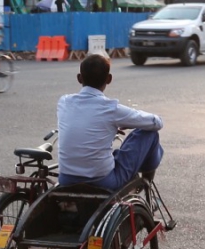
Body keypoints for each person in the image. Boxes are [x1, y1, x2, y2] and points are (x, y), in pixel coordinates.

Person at [57, 54, 164, 191]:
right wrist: (123, 123)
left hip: (66, 179)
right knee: (150, 133)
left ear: (79, 78)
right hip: (102, 181)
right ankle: (146, 185)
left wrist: (108, 127)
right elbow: (157, 123)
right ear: (109, 79)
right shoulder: (111, 109)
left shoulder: (64, 102)